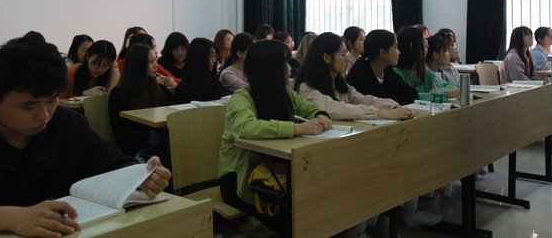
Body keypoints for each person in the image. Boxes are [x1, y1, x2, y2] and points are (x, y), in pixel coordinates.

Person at [0, 35, 171, 237]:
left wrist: (141, 176)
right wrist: (12, 218)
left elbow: (112, 161)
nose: (44, 115)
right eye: (29, 106)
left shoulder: (68, 124)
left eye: (51, 100)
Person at [218, 39, 331, 233]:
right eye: (284, 63)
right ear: (270, 69)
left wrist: (320, 115)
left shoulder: (285, 92)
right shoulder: (242, 97)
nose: (290, 68)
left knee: (316, 202)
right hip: (242, 179)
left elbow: (308, 108)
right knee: (296, 218)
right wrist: (297, 128)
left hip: (276, 172)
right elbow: (247, 127)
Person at [295, 32, 414, 121]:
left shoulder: (339, 83)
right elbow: (334, 108)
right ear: (326, 58)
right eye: (343, 55)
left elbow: (361, 99)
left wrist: (393, 106)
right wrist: (381, 113)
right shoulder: (307, 87)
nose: (347, 60)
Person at [109, 44, 181, 158]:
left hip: (164, 146)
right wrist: (154, 137)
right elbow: (123, 132)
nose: (156, 66)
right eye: (151, 62)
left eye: (155, 60)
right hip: (138, 151)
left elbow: (176, 112)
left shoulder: (159, 89)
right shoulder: (119, 93)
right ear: (138, 64)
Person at [346, 29, 418, 106]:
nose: (399, 52)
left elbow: (412, 93)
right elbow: (384, 103)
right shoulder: (359, 75)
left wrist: (396, 99)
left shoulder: (387, 69)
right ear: (382, 52)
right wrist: (398, 99)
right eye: (395, 47)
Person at [394, 26, 459, 101]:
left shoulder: (425, 72)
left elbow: (451, 87)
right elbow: (408, 96)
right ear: (412, 46)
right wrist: (439, 94)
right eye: (424, 42)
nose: (427, 45)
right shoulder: (395, 74)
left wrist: (438, 92)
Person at [174, 38, 226, 102]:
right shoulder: (184, 89)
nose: (214, 60)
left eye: (215, 56)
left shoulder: (215, 84)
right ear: (199, 57)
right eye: (210, 55)